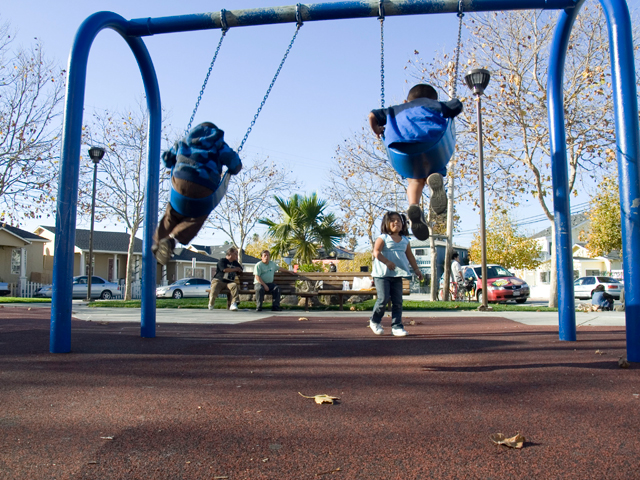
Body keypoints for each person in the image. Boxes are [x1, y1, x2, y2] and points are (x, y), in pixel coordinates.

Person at [368, 84, 463, 241]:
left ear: (406, 101)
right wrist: (451, 106)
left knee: (414, 178)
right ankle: (434, 176)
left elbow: (372, 115)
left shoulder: (395, 109)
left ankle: (413, 205)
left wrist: (377, 129)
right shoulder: (436, 105)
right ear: (433, 99)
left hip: (401, 149)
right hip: (431, 142)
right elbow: (457, 105)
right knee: (434, 164)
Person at [153, 122, 242, 265]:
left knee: (172, 211)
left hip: (181, 181)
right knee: (197, 216)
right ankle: (172, 240)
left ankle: (157, 241)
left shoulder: (184, 141)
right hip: (204, 185)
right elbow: (236, 166)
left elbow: (166, 159)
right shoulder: (219, 144)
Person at [369, 211, 423, 337]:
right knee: (383, 299)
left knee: (398, 301)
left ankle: (397, 326)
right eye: (392, 220)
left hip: (397, 275)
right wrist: (387, 262)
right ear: (386, 223)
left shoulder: (405, 240)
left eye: (398, 220)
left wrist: (416, 270)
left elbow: (410, 256)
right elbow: (376, 252)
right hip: (382, 275)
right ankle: (375, 321)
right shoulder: (383, 238)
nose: (396, 222)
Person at [208, 246, 243, 311]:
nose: (236, 255)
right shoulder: (222, 261)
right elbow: (224, 270)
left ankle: (234, 303)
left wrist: (239, 270)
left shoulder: (235, 263)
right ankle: (211, 303)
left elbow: (240, 269)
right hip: (219, 280)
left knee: (234, 286)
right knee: (215, 288)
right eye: (235, 253)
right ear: (230, 254)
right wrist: (235, 269)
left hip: (229, 282)